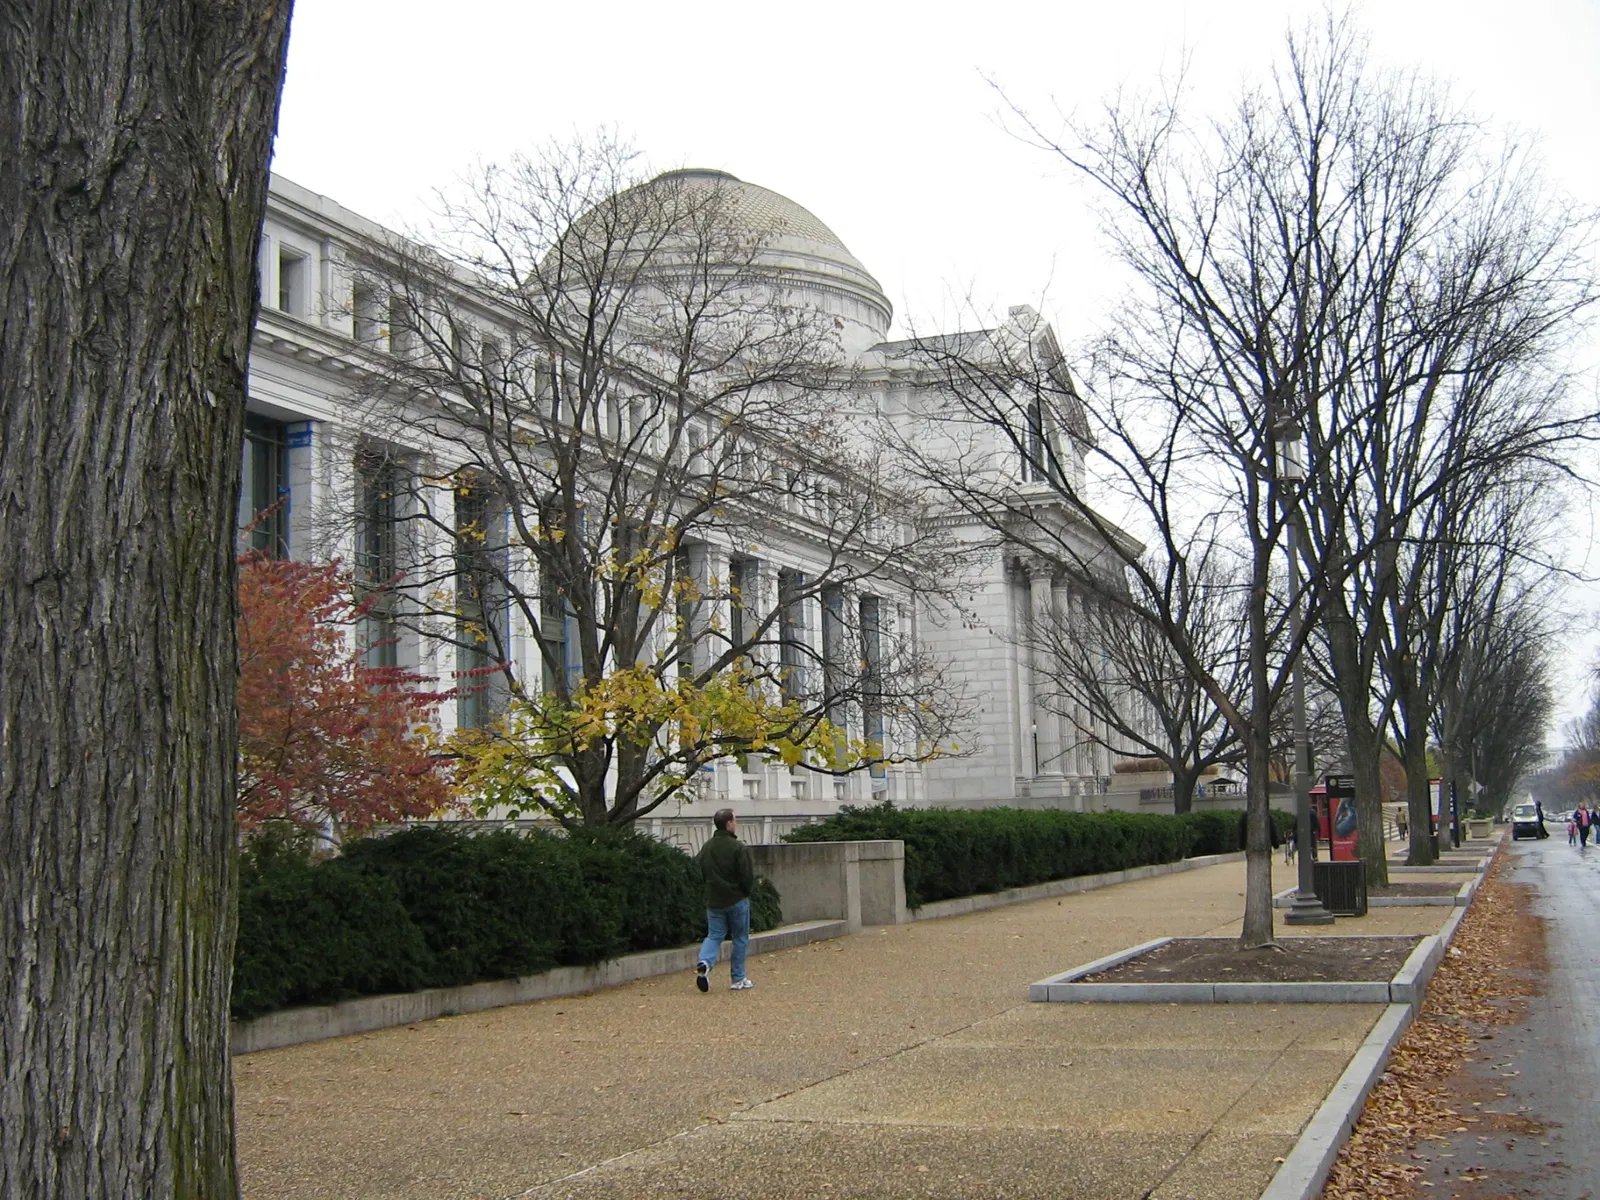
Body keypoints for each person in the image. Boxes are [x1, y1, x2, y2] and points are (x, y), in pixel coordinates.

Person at [694, 808, 756, 992]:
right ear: (729, 824)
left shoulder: (707, 847)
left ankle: (705, 962)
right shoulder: (738, 848)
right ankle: (738, 978)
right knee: (740, 938)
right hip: (736, 899)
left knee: (714, 936)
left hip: (714, 900)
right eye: (734, 821)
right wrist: (746, 891)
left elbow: (701, 870)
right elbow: (746, 875)